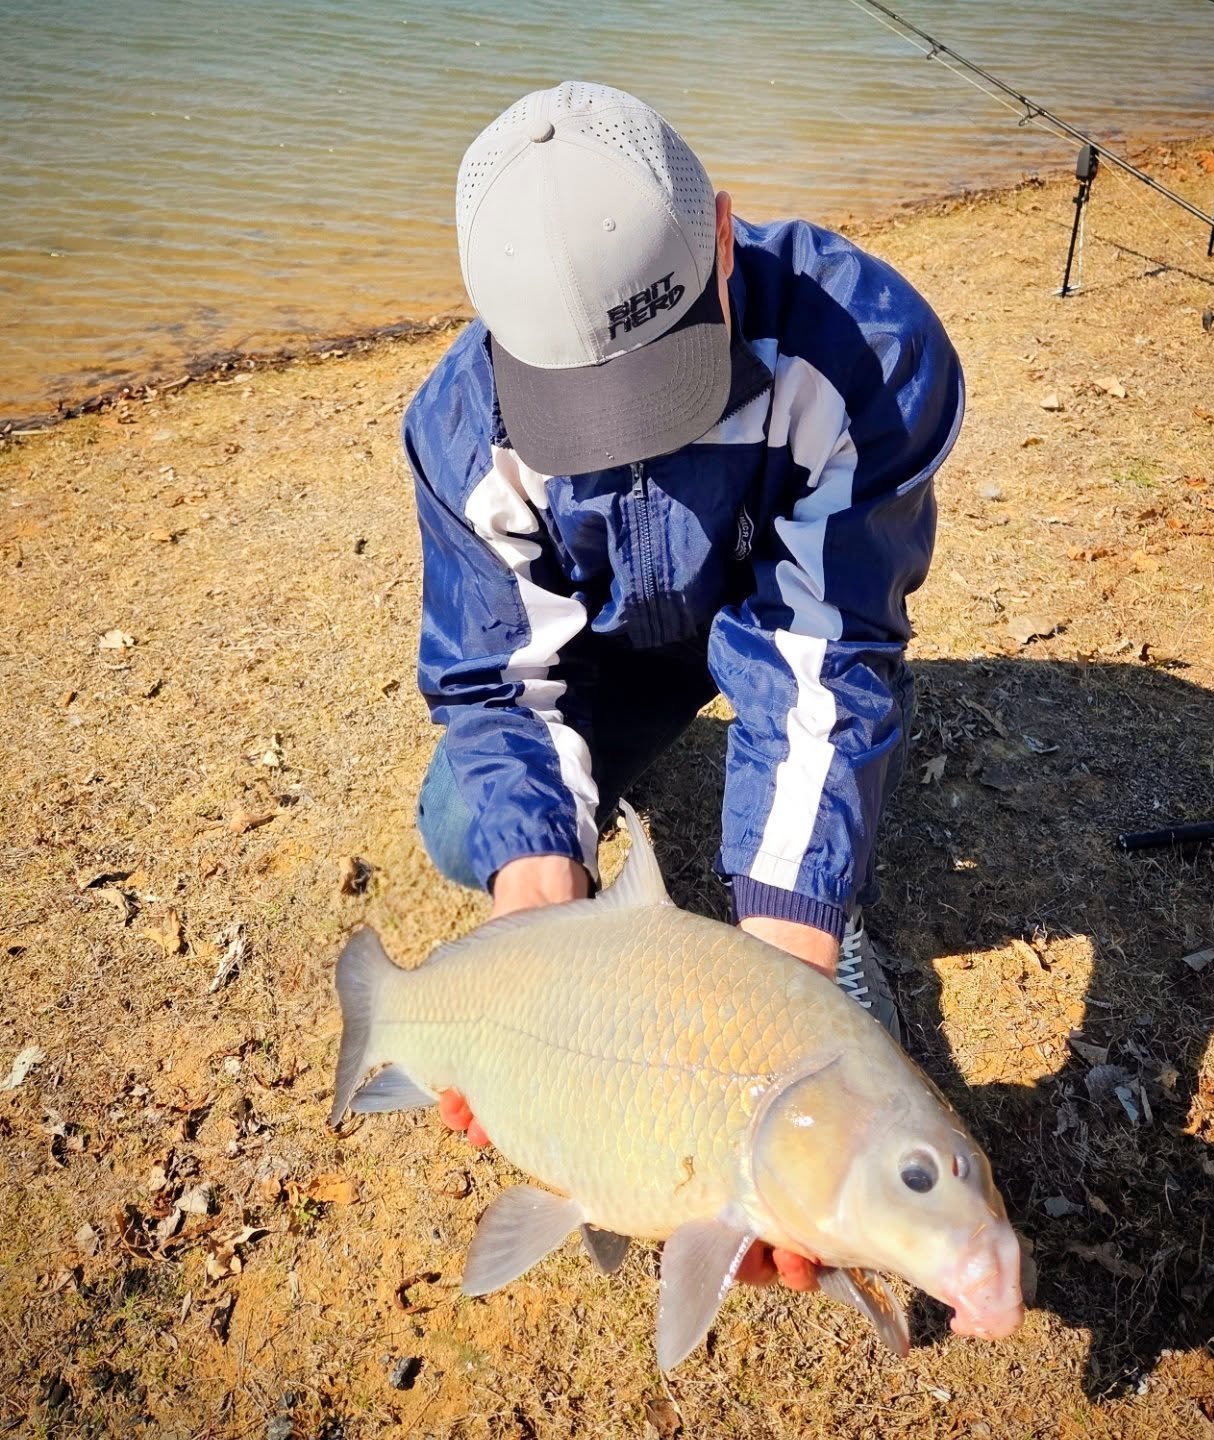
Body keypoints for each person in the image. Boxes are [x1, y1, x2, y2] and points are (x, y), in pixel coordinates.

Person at [402, 82, 964, 1290]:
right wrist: (540, 922)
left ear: (720, 236)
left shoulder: (863, 358)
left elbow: (824, 657)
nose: (636, 438)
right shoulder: (461, 428)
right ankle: (626, 835)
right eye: (583, 409)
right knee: (462, 822)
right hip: (610, 653)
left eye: (667, 377)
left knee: (802, 838)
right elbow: (498, 681)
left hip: (771, 616)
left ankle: (819, 902)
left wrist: (785, 965)